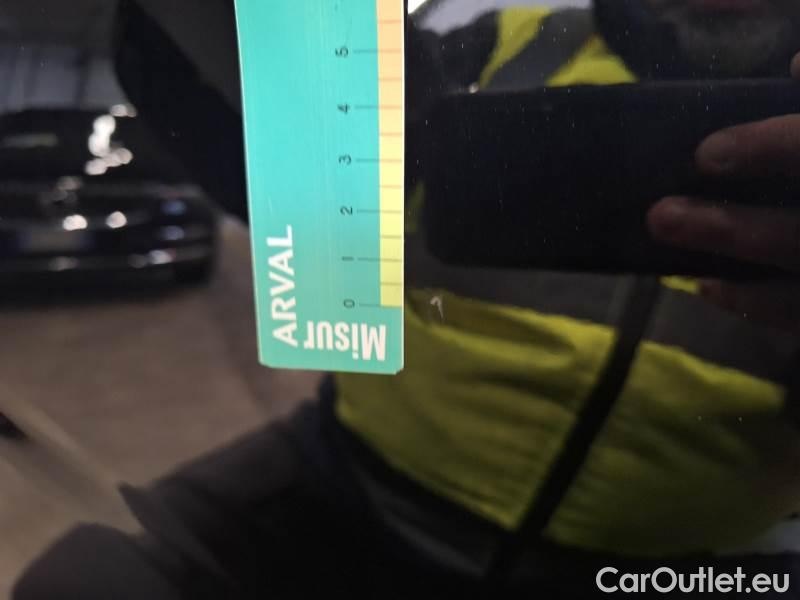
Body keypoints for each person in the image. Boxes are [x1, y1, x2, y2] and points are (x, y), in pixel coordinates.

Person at [12, 0, 800, 597]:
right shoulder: (498, 42)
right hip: (352, 483)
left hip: (688, 563)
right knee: (84, 582)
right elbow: (278, 168)